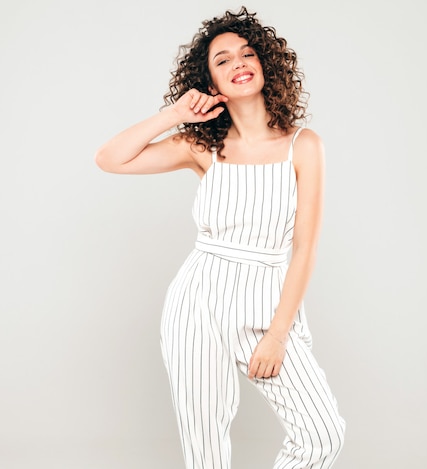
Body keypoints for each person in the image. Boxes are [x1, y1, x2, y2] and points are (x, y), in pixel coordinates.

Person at [95, 7, 345, 469]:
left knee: (321, 433)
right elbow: (110, 158)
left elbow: (304, 249)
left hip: (269, 305)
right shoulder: (201, 147)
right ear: (210, 82)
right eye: (223, 60)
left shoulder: (303, 145)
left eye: (247, 53)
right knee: (205, 447)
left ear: (267, 64)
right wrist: (174, 113)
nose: (239, 63)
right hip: (199, 301)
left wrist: (277, 334)